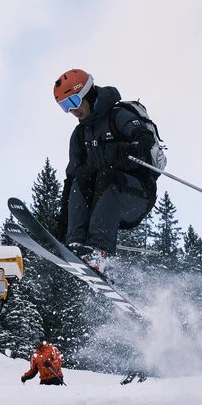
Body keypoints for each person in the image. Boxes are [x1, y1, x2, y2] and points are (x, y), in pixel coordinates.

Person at [52, 69, 159, 273]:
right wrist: (62, 226)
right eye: (65, 106)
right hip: (102, 204)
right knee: (81, 176)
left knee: (107, 177)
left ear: (88, 93)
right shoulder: (80, 135)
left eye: (73, 101)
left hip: (136, 196)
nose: (72, 110)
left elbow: (145, 138)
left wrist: (131, 149)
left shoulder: (118, 116)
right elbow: (71, 181)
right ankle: (76, 244)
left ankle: (99, 252)